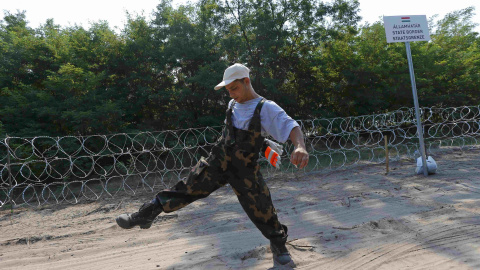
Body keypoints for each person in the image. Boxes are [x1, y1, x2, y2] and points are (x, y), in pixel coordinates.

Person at [116, 63, 309, 267]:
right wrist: (262, 143)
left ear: (246, 81)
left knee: (262, 208)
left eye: (234, 88)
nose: (231, 94)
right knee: (185, 188)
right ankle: (145, 214)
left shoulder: (266, 107)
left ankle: (279, 248)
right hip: (217, 161)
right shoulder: (233, 105)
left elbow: (291, 125)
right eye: (228, 91)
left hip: (244, 171)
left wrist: (300, 147)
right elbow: (233, 134)